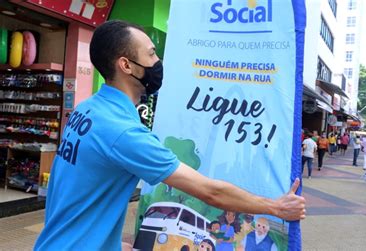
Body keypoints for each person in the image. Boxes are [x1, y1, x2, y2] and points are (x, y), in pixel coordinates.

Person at [33, 20, 305, 251]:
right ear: (127, 65)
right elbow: (210, 192)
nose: (157, 61)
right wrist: (276, 208)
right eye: (151, 54)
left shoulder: (88, 109)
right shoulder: (124, 133)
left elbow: (81, 188)